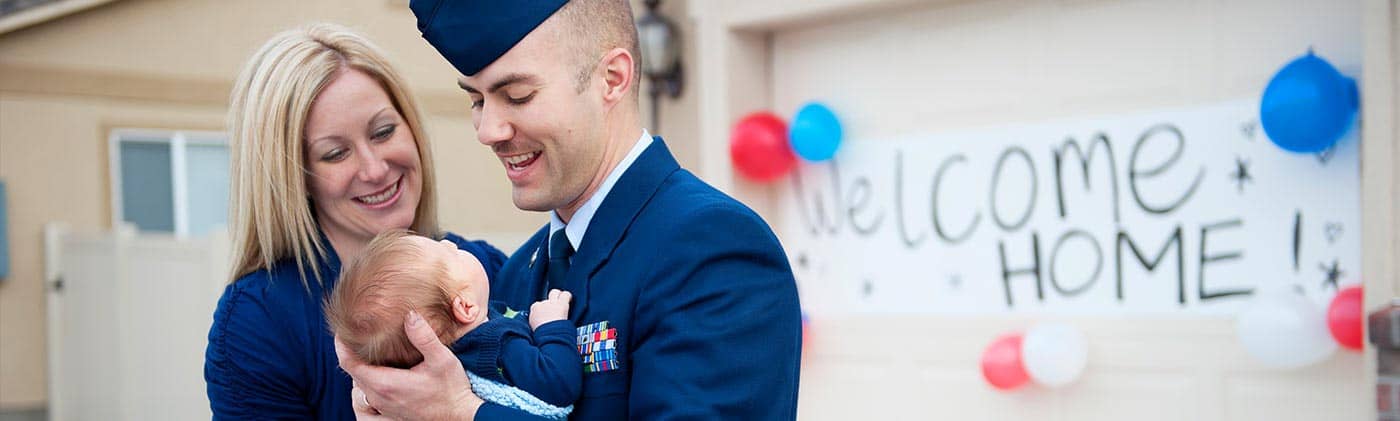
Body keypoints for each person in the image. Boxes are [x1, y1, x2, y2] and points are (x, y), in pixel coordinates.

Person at [336, 1, 803, 419]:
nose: (488, 129)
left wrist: (462, 413)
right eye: (477, 100)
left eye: (517, 95)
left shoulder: (714, 248)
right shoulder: (518, 272)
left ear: (612, 79)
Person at [204, 23, 507, 419]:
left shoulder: (487, 268)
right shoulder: (259, 323)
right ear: (295, 177)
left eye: (383, 131)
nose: (375, 168)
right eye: (335, 153)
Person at [325, 229, 580, 420]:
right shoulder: (498, 346)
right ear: (465, 307)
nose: (449, 242)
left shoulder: (457, 358)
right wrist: (552, 326)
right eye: (452, 254)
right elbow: (558, 383)